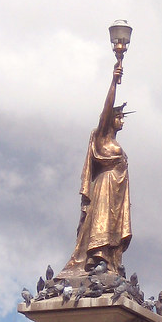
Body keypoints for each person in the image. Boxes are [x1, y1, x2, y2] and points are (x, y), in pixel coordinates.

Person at [58, 62, 131, 279]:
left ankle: (109, 260)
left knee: (113, 229)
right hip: (105, 187)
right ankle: (98, 256)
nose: (122, 122)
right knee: (100, 224)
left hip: (117, 192)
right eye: (119, 117)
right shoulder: (102, 137)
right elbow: (106, 110)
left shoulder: (114, 141)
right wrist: (113, 82)